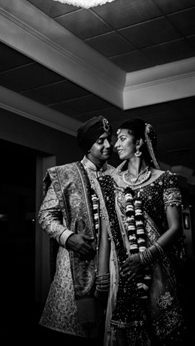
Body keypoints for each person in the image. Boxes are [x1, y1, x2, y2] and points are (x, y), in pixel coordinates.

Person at [96, 118, 186, 346]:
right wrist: (103, 274)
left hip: (157, 267)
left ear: (139, 144)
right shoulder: (110, 183)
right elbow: (107, 232)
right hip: (123, 268)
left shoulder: (166, 179)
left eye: (122, 138)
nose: (116, 144)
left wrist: (145, 257)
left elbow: (175, 228)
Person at [38, 116, 115, 343]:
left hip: (112, 264)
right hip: (74, 263)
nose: (108, 145)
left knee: (109, 331)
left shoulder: (117, 176)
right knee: (73, 334)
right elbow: (45, 215)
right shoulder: (65, 174)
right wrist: (67, 237)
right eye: (101, 141)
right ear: (88, 146)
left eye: (108, 139)